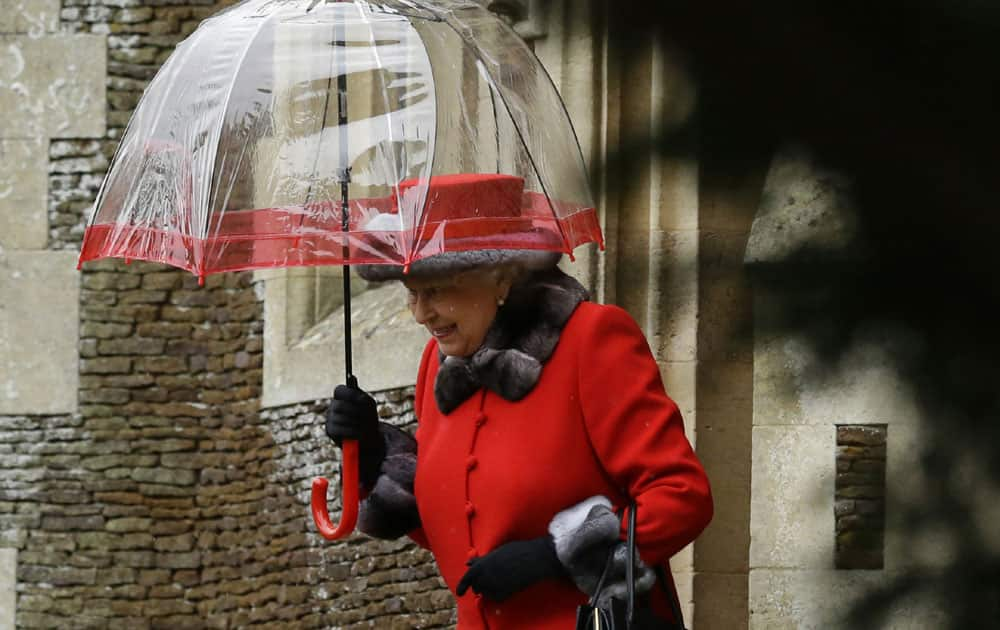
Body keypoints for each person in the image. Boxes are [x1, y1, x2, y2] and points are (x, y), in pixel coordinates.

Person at [325, 174, 712, 629]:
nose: (419, 314)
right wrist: (372, 452)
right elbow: (455, 522)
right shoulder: (438, 362)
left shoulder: (592, 339)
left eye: (435, 290)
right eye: (411, 293)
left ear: (501, 277)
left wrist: (554, 554)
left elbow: (682, 499)